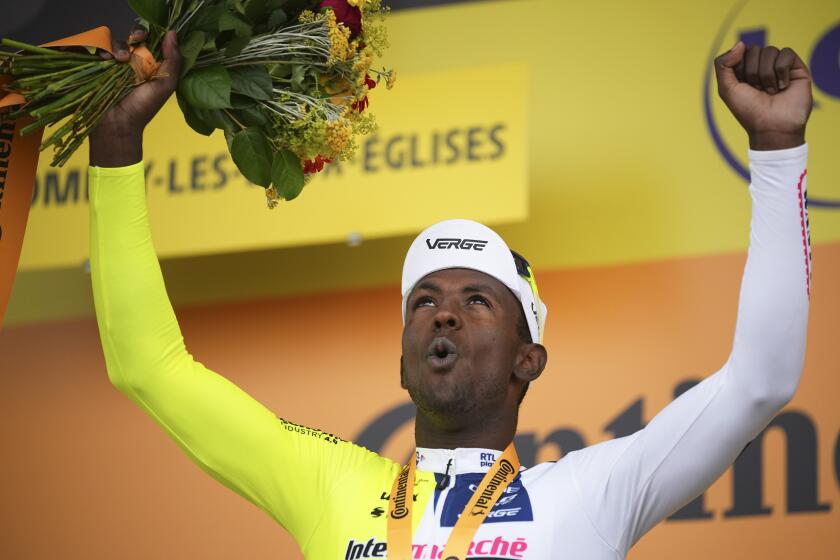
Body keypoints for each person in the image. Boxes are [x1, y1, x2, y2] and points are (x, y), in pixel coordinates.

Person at [89, 28, 813, 560]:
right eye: (423, 299)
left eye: (477, 301)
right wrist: (116, 148)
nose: (442, 310)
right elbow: (150, 368)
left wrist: (778, 153)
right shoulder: (330, 483)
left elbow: (760, 380)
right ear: (402, 361)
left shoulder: (592, 494)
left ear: (527, 361)